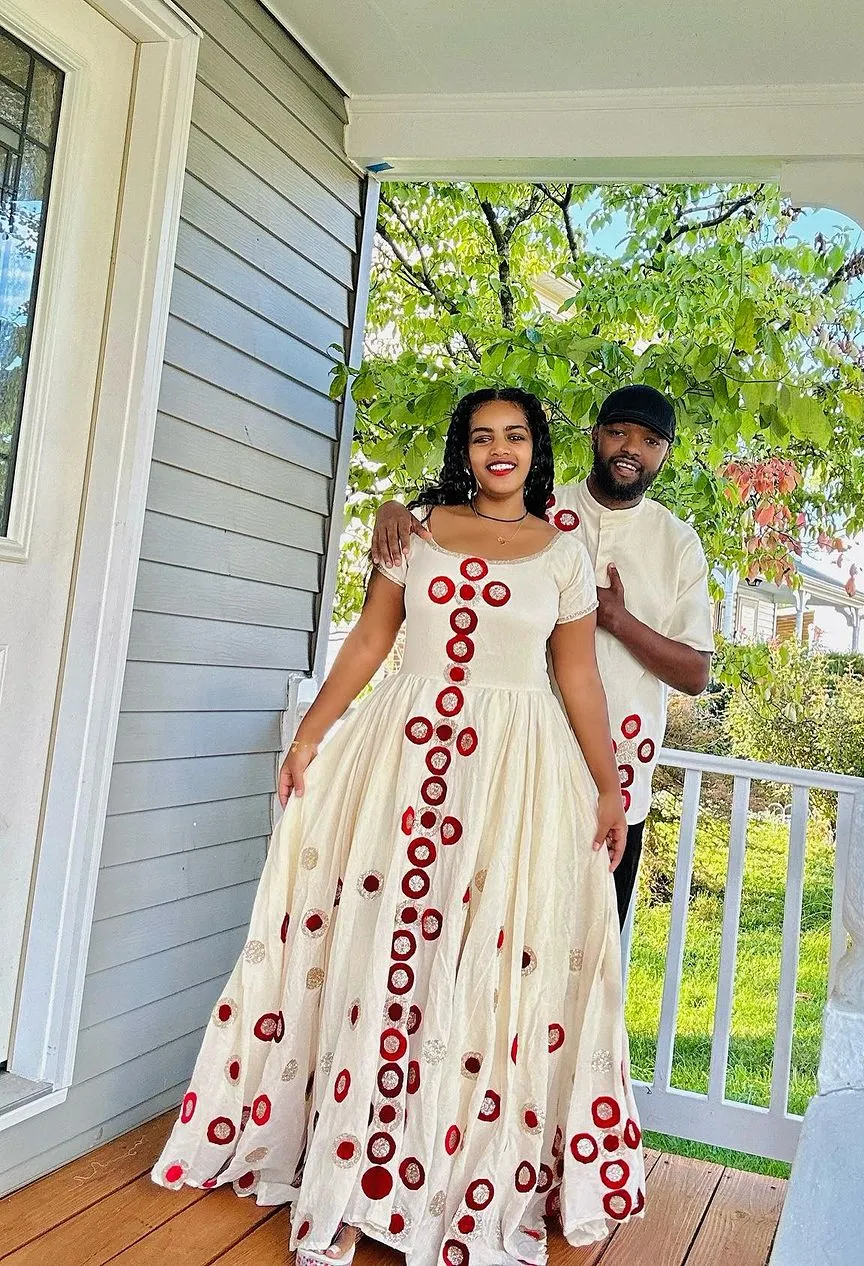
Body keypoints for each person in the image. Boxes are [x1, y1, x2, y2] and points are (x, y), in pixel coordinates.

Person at [151, 388, 646, 1266]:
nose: (501, 450)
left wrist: (609, 789)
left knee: (489, 964)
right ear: (465, 447)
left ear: (538, 450)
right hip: (404, 764)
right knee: (383, 953)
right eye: (484, 436)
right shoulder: (412, 530)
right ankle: (341, 1189)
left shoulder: (566, 552)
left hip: (517, 775)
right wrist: (310, 736)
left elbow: (580, 679)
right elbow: (371, 642)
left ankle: (455, 1176)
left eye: (517, 436)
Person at [374, 384, 714, 928]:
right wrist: (396, 509)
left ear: (666, 452)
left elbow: (696, 673)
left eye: (651, 440)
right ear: (594, 435)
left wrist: (617, 620)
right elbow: (463, 520)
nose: (631, 448)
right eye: (618, 432)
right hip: (510, 763)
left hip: (617, 780)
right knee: (488, 931)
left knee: (584, 946)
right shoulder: (541, 510)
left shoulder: (678, 545)